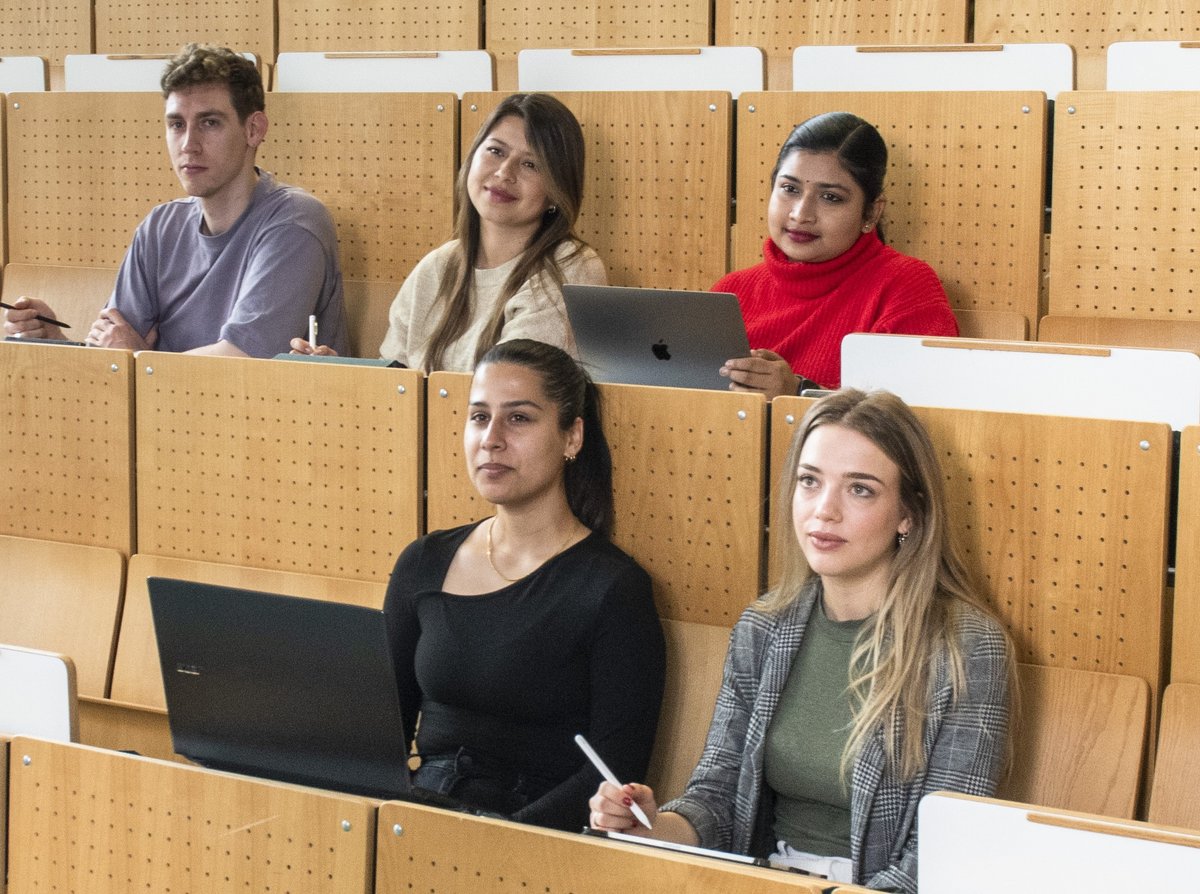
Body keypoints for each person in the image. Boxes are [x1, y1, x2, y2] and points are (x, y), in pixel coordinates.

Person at [588, 388, 1013, 892]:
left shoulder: (966, 646)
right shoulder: (764, 628)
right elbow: (719, 796)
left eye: (860, 490)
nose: (824, 511)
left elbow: (942, 850)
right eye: (810, 482)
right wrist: (653, 827)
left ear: (909, 516)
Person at [385, 338, 665, 832]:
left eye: (518, 418)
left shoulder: (613, 589)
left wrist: (497, 845)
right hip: (421, 821)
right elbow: (380, 733)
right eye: (478, 417)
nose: (491, 439)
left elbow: (612, 775)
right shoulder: (423, 563)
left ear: (572, 437)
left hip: (537, 840)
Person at [3, 43, 347, 358]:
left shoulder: (295, 222)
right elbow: (112, 349)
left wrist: (140, 358)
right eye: (177, 125)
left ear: (254, 129)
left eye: (209, 123)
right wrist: (54, 341)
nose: (188, 145)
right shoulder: (159, 227)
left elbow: (241, 362)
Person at [291, 93, 605, 370]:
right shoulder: (437, 266)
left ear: (556, 190)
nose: (503, 173)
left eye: (531, 165)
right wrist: (336, 372)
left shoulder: (570, 266)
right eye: (496, 151)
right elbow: (398, 380)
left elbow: (511, 392)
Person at [717, 113, 958, 398]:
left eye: (830, 197)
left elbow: (914, 417)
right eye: (789, 189)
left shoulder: (905, 285)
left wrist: (798, 392)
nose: (801, 214)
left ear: (871, 212)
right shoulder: (730, 292)